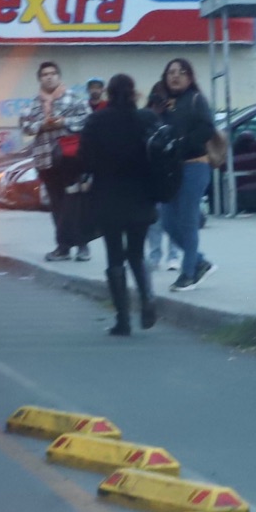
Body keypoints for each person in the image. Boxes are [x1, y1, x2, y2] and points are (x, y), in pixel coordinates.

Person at [79, 74, 160, 336]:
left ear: (108, 93)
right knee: (136, 252)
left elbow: (84, 159)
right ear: (134, 92)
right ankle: (147, 298)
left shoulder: (96, 121)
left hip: (108, 197)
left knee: (114, 255)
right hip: (141, 195)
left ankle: (122, 319)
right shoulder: (147, 119)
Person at [157, 57, 218, 291]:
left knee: (187, 220)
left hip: (194, 166)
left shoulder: (195, 99)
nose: (175, 76)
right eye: (171, 72)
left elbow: (207, 129)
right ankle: (199, 261)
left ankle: (188, 274)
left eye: (181, 72)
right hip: (170, 170)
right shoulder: (164, 104)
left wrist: (181, 144)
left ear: (190, 77)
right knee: (167, 222)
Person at [20, 60, 91, 262]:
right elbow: (25, 126)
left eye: (52, 73)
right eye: (45, 74)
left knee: (74, 204)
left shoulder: (73, 99)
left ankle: (82, 245)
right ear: (40, 79)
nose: (49, 77)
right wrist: (42, 125)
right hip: (45, 161)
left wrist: (64, 122)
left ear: (59, 76)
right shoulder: (33, 104)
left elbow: (88, 120)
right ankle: (63, 247)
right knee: (57, 205)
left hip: (70, 160)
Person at [144, 80, 182, 272]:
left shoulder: (174, 115)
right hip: (151, 173)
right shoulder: (146, 116)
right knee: (155, 219)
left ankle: (173, 256)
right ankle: (155, 255)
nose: (161, 101)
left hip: (171, 171)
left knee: (172, 216)